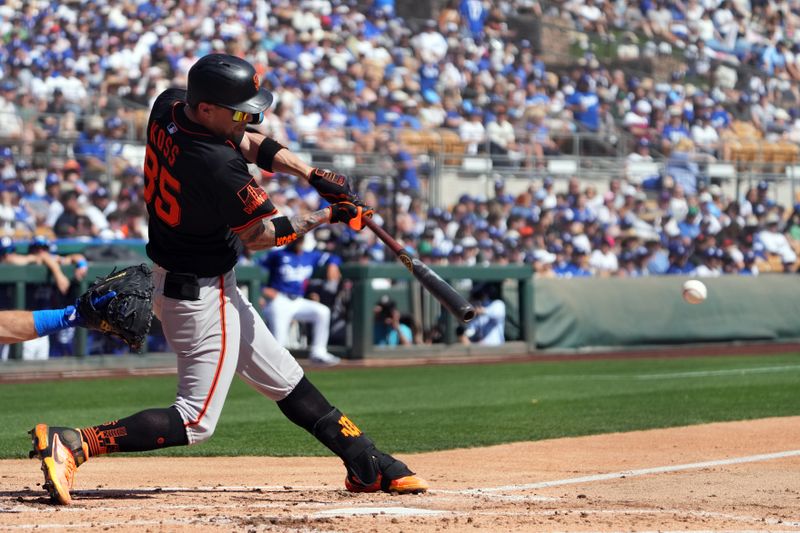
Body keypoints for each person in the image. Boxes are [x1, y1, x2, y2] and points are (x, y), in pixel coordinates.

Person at [30, 54, 427, 506]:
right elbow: (260, 236)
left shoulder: (170, 105)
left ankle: (365, 460)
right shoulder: (215, 164)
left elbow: (247, 139)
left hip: (191, 281)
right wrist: (329, 215)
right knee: (195, 420)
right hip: (199, 295)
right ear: (206, 109)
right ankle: (77, 442)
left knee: (284, 379)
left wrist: (312, 173)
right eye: (238, 110)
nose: (248, 117)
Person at [260, 234, 342, 366]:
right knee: (279, 345)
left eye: (301, 239)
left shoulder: (310, 255)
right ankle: (272, 366)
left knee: (322, 312)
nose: (298, 241)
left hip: (298, 301)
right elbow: (255, 269)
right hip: (280, 300)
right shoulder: (278, 255)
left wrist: (333, 265)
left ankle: (318, 353)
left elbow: (334, 257)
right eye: (296, 239)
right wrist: (263, 289)